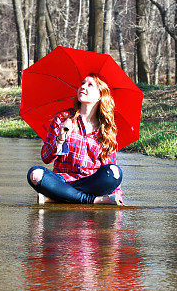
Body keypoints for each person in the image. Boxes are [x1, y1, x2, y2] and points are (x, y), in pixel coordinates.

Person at [27, 73, 123, 205]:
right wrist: (60, 139)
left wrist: (117, 195)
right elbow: (45, 157)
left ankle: (57, 197)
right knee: (35, 174)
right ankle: (92, 200)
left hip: (91, 183)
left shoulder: (106, 128)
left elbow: (109, 165)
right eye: (82, 83)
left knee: (115, 173)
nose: (83, 87)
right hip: (62, 180)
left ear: (100, 95)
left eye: (90, 85)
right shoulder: (63, 118)